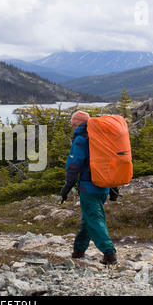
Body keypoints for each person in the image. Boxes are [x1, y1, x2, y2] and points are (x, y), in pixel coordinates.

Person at [60, 111, 117, 265]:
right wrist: (114, 186)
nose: (72, 127)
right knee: (88, 218)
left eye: (73, 124)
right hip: (104, 186)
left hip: (88, 186)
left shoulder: (81, 139)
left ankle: (109, 253)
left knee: (94, 219)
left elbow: (74, 165)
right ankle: (78, 250)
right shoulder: (101, 138)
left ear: (78, 123)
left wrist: (67, 186)